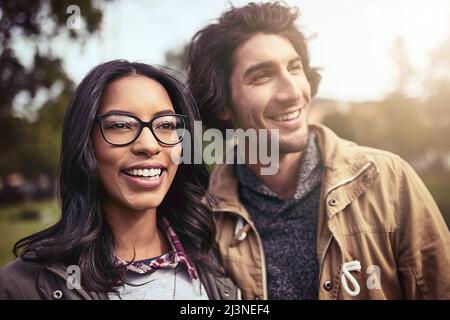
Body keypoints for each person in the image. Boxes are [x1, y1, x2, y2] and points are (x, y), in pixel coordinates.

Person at [187, 2, 450, 300]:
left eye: (294, 67)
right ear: (222, 104)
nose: (292, 93)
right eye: (261, 76)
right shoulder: (204, 219)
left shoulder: (390, 180)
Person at [0, 60, 238, 300]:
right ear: (85, 142)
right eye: (121, 125)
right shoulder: (21, 287)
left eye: (166, 125)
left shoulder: (216, 257)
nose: (149, 145)